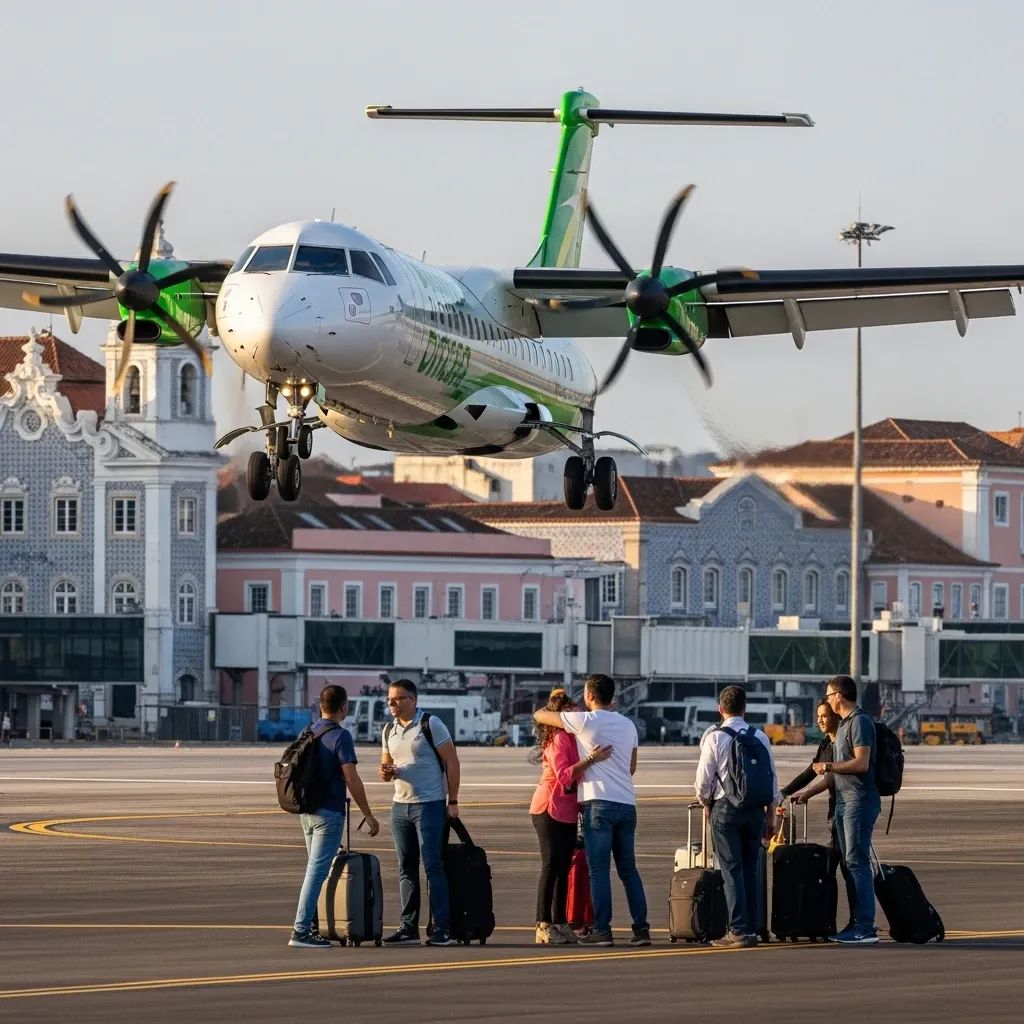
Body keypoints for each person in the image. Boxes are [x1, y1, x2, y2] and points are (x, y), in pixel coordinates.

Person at [533, 673, 650, 948]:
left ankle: (601, 929)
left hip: (598, 803)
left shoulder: (585, 721)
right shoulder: (628, 725)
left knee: (598, 870)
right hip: (627, 803)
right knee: (629, 870)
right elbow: (631, 767)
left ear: (589, 696)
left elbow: (540, 715)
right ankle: (641, 929)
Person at [289, 684, 379, 949]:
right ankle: (301, 930)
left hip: (307, 811)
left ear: (320, 706)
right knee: (316, 872)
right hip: (329, 813)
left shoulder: (309, 732)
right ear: (344, 708)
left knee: (315, 869)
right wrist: (368, 815)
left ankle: (313, 926)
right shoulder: (341, 736)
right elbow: (352, 778)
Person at [694, 685, 781, 948]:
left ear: (720, 709)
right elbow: (772, 779)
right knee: (750, 870)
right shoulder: (760, 737)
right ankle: (753, 927)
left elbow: (703, 781)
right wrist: (771, 815)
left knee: (731, 871)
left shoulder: (715, 737)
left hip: (725, 809)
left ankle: (738, 930)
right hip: (755, 810)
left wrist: (705, 803)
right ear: (745, 708)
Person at [379, 678, 461, 947]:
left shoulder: (431, 724)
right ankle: (408, 927)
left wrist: (453, 800)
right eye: (390, 699)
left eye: (398, 698)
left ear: (412, 700)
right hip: (399, 805)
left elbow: (452, 761)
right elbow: (386, 768)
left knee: (433, 866)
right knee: (406, 869)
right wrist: (386, 772)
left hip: (429, 805)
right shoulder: (388, 730)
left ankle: (442, 929)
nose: (392, 703)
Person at [529, 687, 612, 945]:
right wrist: (592, 759)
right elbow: (565, 775)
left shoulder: (571, 739)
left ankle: (561, 921)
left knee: (564, 868)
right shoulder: (558, 739)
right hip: (549, 807)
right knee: (551, 866)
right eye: (572, 714)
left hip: (566, 810)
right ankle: (543, 923)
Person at [808, 674, 880, 944]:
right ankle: (855, 923)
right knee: (850, 865)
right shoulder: (845, 725)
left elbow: (861, 763)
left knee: (857, 863)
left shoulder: (859, 722)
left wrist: (828, 766)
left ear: (839, 695)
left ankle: (865, 927)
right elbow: (835, 774)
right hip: (843, 802)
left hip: (858, 803)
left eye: (828, 695)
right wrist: (807, 792)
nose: (827, 700)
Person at [784, 700, 857, 927]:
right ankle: (828, 920)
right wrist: (786, 792)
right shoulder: (827, 744)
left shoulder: (845, 742)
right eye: (818, 717)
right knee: (834, 867)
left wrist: (807, 793)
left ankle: (858, 921)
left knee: (848, 867)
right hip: (836, 811)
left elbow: (832, 775)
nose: (820, 720)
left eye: (824, 715)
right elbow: (813, 772)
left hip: (851, 809)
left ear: (836, 716)